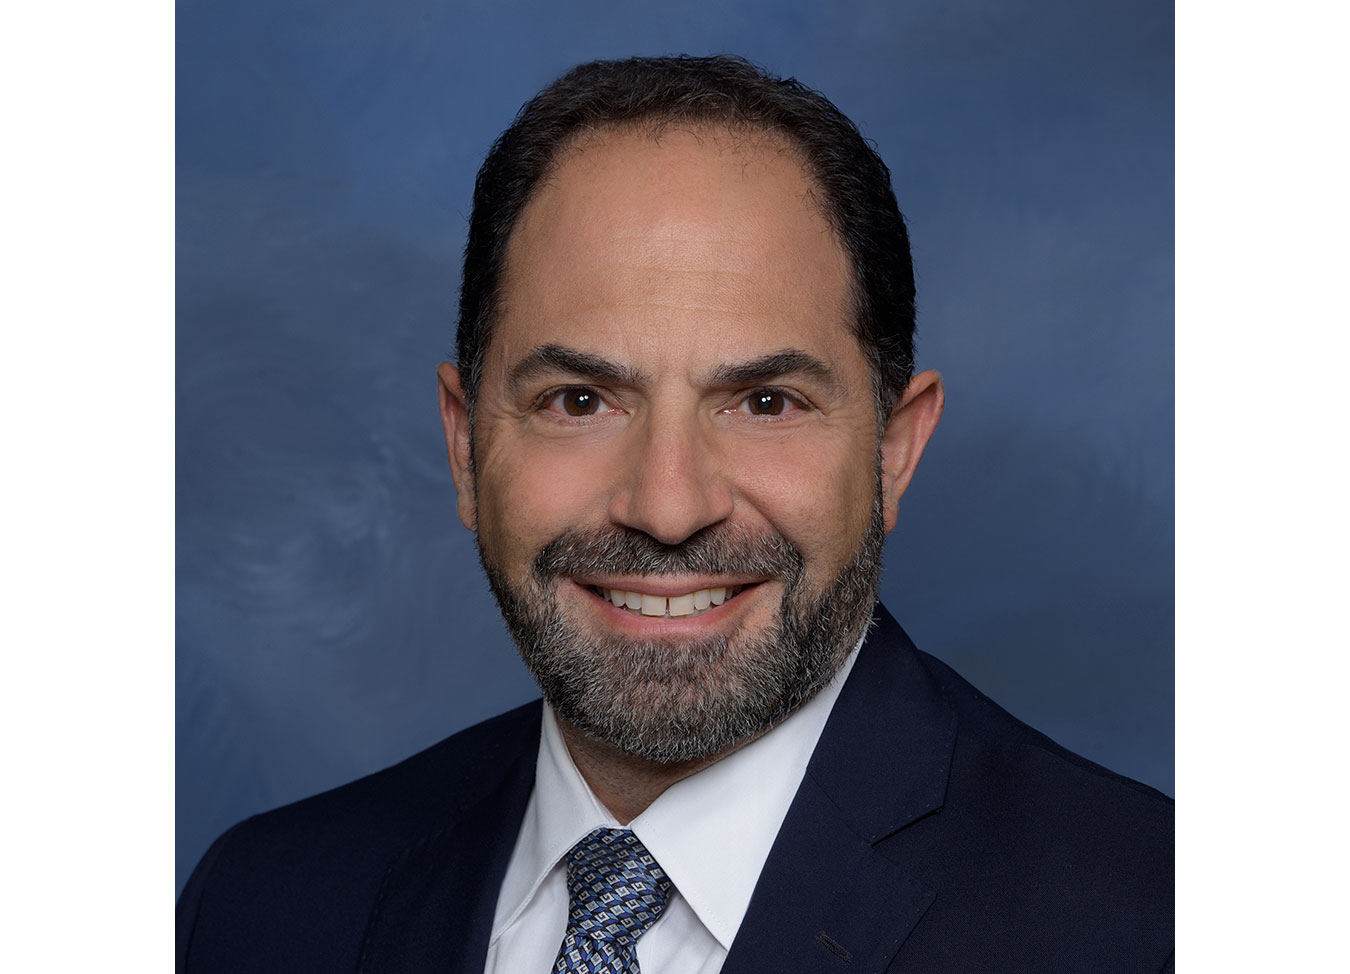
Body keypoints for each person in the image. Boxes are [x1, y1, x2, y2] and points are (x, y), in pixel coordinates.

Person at [176, 55, 1172, 973]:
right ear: (466, 444)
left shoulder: (1151, 925)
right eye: (580, 401)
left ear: (893, 452)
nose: (666, 506)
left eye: (765, 402)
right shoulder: (260, 907)